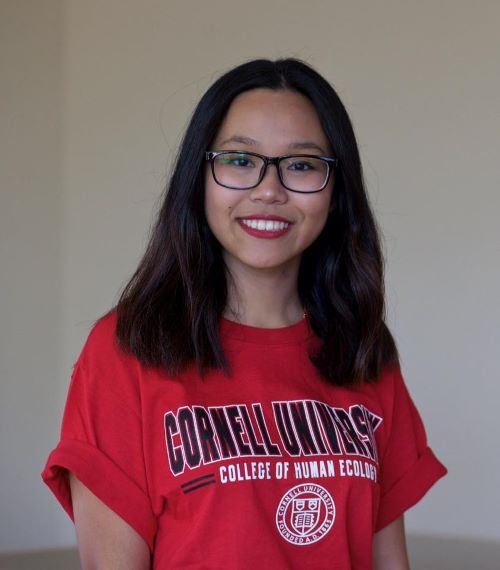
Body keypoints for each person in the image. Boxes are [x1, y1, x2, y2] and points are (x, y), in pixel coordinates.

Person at [42, 58, 446, 569]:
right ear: (200, 177)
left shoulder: (362, 346)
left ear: (335, 191)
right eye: (239, 159)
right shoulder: (130, 347)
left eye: (302, 165)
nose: (269, 190)